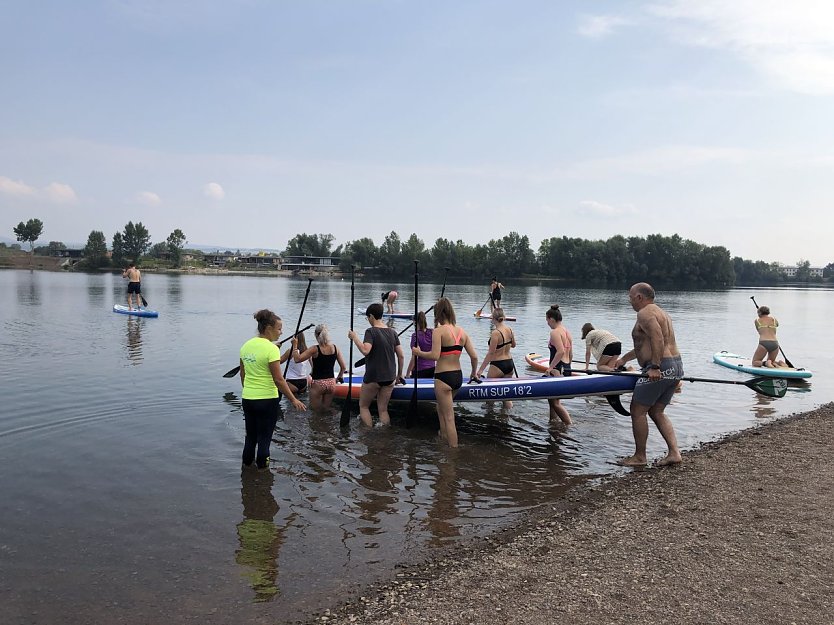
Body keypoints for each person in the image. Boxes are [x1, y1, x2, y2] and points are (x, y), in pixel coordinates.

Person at [613, 282, 684, 467]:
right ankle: (674, 453)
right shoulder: (661, 312)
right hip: (675, 365)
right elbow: (650, 344)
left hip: (661, 366)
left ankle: (639, 457)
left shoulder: (644, 313)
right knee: (656, 411)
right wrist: (624, 360)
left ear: (639, 297)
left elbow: (657, 338)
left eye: (630, 297)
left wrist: (655, 367)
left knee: (637, 411)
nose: (629, 301)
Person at [239, 309, 306, 470]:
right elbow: (279, 380)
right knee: (264, 438)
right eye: (279, 329)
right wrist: (293, 399)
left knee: (250, 437)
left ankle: (246, 471)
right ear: (268, 328)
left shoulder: (246, 346)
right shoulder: (272, 349)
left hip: (248, 399)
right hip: (267, 400)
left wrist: (250, 390)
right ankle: (263, 475)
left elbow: (243, 375)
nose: (281, 332)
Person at [412, 297, 479, 448]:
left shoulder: (439, 331)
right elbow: (474, 356)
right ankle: (442, 437)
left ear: (439, 313)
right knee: (439, 407)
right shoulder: (462, 332)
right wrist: (474, 373)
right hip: (457, 377)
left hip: (443, 377)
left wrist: (418, 352)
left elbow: (435, 356)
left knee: (449, 418)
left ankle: (452, 453)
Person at [348, 303, 405, 427]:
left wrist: (355, 337)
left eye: (368, 317)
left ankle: (369, 436)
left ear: (372, 316)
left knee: (363, 407)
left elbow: (365, 350)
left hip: (373, 377)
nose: (368, 320)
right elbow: (401, 356)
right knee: (383, 410)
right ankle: (385, 435)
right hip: (390, 378)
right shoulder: (393, 332)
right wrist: (399, 376)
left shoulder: (371, 332)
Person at [293, 324, 346, 411]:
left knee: (315, 412)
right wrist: (339, 376)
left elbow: (297, 359)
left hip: (318, 383)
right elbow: (343, 367)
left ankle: (317, 424)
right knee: (325, 409)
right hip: (331, 383)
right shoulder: (335, 348)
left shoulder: (315, 349)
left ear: (316, 335)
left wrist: (295, 345)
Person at [476, 307, 516, 408]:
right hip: (509, 364)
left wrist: (480, 371)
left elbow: (491, 353)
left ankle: (490, 417)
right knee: (505, 396)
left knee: (490, 396)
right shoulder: (510, 330)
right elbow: (514, 345)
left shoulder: (495, 333)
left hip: (498, 365)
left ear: (493, 319)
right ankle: (507, 416)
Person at [545, 304, 573, 425]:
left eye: (547, 320)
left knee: (555, 403)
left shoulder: (555, 332)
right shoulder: (566, 331)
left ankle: (569, 425)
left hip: (557, 369)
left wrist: (551, 368)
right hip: (566, 367)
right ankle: (553, 422)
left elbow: (560, 351)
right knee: (552, 399)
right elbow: (570, 353)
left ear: (551, 319)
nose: (547, 323)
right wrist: (568, 368)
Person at [406, 311, 435, 379]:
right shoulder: (432, 332)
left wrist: (407, 373)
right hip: (432, 368)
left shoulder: (415, 336)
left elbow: (414, 357)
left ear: (415, 322)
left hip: (420, 370)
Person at [283, 331, 312, 395]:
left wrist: (277, 348)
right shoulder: (307, 351)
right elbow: (313, 366)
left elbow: (279, 361)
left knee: (290, 402)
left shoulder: (290, 352)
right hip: (303, 382)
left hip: (291, 382)